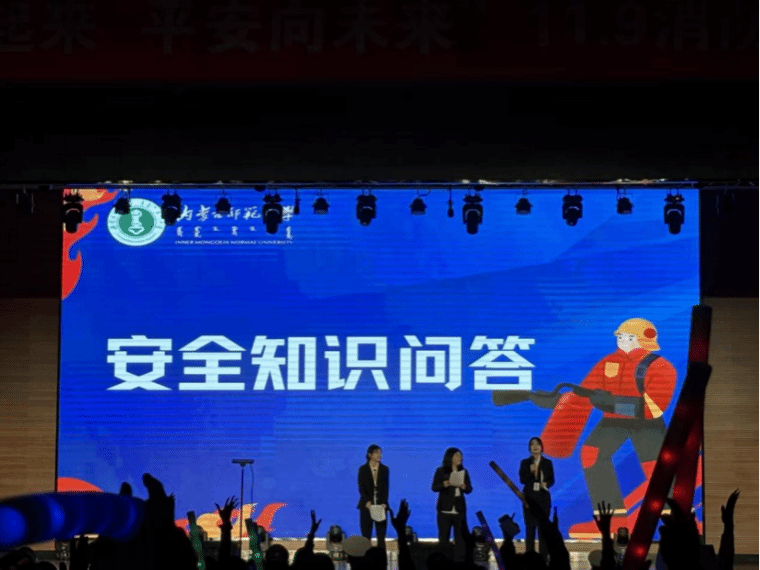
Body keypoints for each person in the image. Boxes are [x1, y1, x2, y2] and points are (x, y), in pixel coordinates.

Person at [540, 318, 677, 538]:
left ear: (644, 339)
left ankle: (675, 519)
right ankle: (611, 520)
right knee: (592, 454)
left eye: (629, 337)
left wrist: (613, 404)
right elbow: (585, 392)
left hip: (646, 422)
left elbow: (653, 407)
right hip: (613, 420)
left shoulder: (660, 366)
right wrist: (555, 401)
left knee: (656, 466)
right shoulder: (608, 362)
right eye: (620, 336)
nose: (622, 340)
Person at [431, 447, 472, 562]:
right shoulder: (441, 471)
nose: (460, 458)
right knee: (444, 539)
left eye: (461, 456)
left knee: (460, 539)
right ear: (450, 457)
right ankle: (444, 562)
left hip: (459, 510)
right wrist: (444, 485)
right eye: (457, 456)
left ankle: (459, 562)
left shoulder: (464, 471)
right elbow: (434, 487)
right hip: (444, 510)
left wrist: (464, 487)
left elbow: (469, 489)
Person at [519, 436, 554, 563]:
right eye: (532, 444)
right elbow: (522, 479)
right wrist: (531, 473)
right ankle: (529, 559)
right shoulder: (525, 463)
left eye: (537, 444)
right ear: (529, 448)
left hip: (543, 500)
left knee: (543, 530)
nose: (535, 446)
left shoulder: (547, 463)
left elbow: (551, 480)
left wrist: (546, 484)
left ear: (541, 447)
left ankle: (544, 559)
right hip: (529, 500)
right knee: (530, 530)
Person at [357, 444, 389, 548]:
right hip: (367, 506)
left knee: (381, 535)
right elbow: (361, 487)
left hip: (380, 506)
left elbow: (385, 488)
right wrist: (367, 501)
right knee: (366, 535)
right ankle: (366, 555)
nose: (379, 455)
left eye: (380, 453)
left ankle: (381, 555)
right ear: (369, 455)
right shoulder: (363, 469)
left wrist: (384, 502)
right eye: (376, 453)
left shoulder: (384, 469)